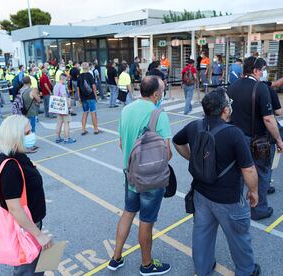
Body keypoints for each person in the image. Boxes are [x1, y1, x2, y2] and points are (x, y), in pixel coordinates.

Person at [173, 90, 261, 276]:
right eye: (229, 102)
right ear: (225, 110)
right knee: (239, 238)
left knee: (202, 235)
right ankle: (246, 270)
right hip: (228, 199)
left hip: (201, 194)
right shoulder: (234, 134)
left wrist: (193, 159)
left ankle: (203, 269)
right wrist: (254, 191)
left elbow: (177, 141)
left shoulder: (194, 126)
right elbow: (249, 170)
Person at [107, 76, 172, 275]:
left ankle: (116, 258)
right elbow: (167, 153)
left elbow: (121, 143)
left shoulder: (126, 110)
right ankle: (146, 264)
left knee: (128, 211)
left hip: (130, 174)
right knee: (147, 220)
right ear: (155, 95)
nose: (163, 93)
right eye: (162, 90)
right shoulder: (158, 115)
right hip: (150, 179)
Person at [227, 56, 283, 220]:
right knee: (261, 173)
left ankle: (236, 205)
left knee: (238, 173)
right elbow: (269, 118)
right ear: (255, 71)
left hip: (236, 138)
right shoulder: (260, 88)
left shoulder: (232, 86)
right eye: (262, 69)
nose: (264, 72)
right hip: (258, 141)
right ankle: (258, 209)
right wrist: (279, 140)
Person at [0, 115, 52, 275]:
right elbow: (14, 207)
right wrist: (38, 234)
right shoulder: (10, 167)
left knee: (37, 266)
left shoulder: (18, 155)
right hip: (24, 228)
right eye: (27, 133)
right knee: (28, 269)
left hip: (30, 223)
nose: (32, 135)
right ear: (15, 137)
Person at [77, 62, 101, 135]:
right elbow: (93, 86)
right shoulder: (90, 75)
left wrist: (79, 98)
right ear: (88, 67)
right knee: (93, 112)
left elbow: (78, 88)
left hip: (83, 97)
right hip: (91, 96)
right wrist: (96, 96)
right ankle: (96, 129)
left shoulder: (79, 77)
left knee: (85, 113)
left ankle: (83, 130)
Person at [53, 73, 76, 144]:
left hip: (57, 107)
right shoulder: (62, 86)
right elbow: (64, 97)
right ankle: (67, 138)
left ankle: (58, 137)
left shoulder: (55, 86)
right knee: (66, 123)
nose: (66, 81)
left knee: (59, 122)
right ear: (63, 79)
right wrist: (69, 107)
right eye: (66, 80)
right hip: (64, 107)